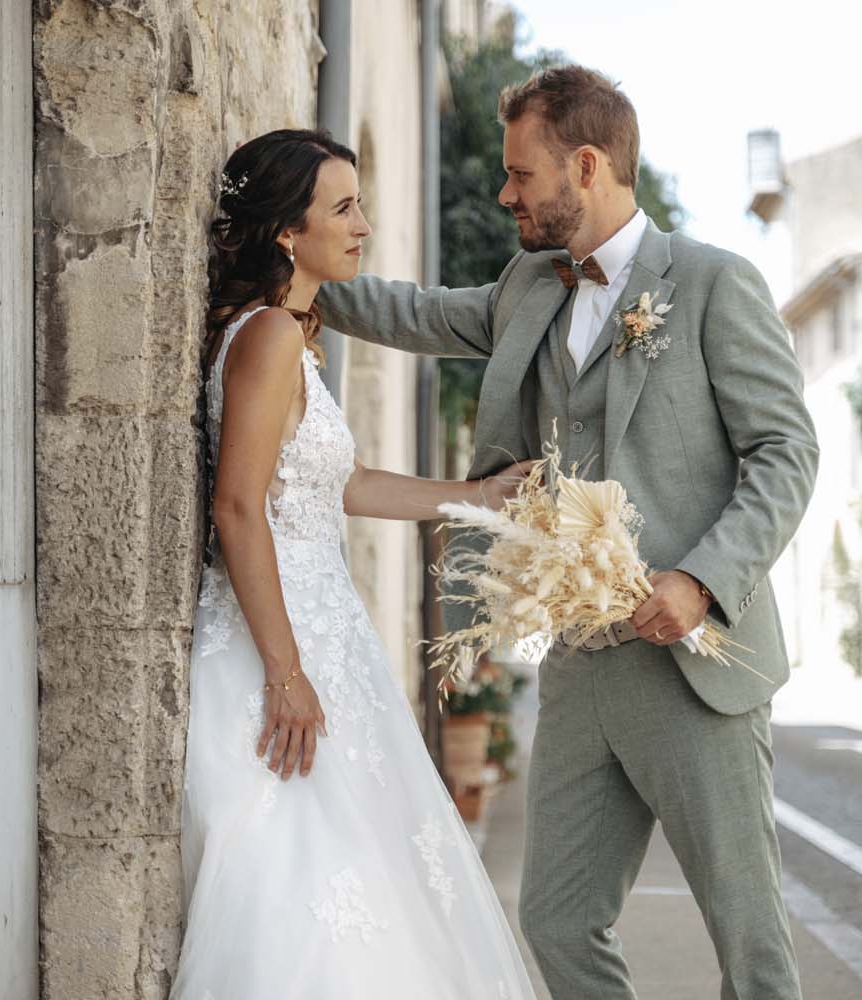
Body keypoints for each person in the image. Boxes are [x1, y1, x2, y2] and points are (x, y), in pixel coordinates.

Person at [315, 65, 820, 1000]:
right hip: (583, 666)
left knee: (749, 943)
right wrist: (299, 273)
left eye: (522, 175)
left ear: (585, 166)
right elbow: (420, 314)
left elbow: (786, 454)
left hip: (694, 663)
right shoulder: (528, 285)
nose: (505, 192)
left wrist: (701, 580)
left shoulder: (712, 284)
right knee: (554, 921)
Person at [174, 128, 538, 1000]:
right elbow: (237, 507)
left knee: (374, 878)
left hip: (326, 639)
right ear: (286, 234)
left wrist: (475, 498)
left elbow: (346, 480)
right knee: (301, 889)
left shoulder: (294, 337)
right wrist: (286, 671)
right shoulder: (266, 337)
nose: (364, 225)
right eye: (342, 208)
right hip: (279, 650)